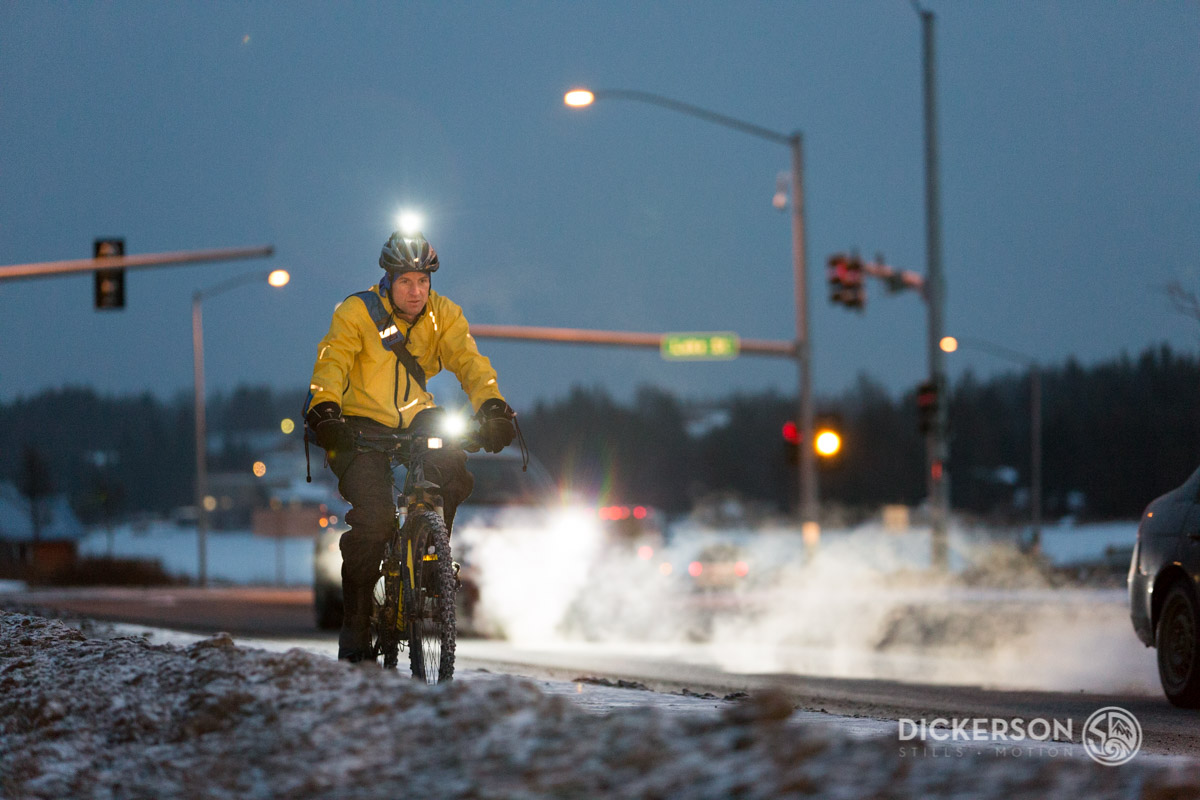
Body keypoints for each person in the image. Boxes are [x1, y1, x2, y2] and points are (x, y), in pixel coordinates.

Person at [306, 230, 516, 662]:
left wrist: (492, 404)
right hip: (358, 424)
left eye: (423, 281)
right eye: (406, 281)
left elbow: (470, 363)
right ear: (388, 279)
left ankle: (431, 560)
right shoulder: (356, 312)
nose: (416, 291)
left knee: (454, 468)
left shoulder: (444, 315)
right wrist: (326, 409)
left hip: (416, 418)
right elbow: (332, 362)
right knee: (375, 522)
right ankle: (357, 629)